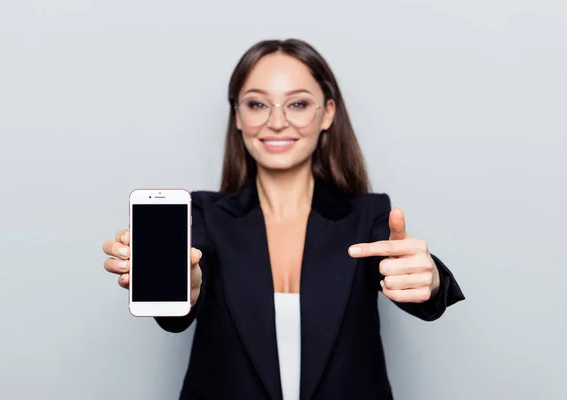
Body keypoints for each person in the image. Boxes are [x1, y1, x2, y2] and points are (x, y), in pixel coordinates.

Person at [102, 38, 465, 400]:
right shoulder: (204, 214)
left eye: (298, 103)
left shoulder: (367, 214)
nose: (277, 122)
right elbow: (180, 305)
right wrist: (185, 286)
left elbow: (411, 282)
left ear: (327, 113)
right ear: (238, 117)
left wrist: (429, 278)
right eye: (257, 104)